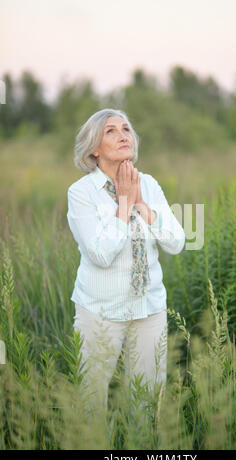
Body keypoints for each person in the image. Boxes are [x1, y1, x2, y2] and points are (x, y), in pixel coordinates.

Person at [67, 108, 185, 421]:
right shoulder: (81, 193)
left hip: (149, 310)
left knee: (146, 406)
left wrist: (141, 204)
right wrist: (123, 202)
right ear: (94, 148)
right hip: (99, 312)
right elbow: (100, 254)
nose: (123, 135)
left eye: (126, 128)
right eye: (111, 131)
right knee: (91, 406)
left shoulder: (148, 183)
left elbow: (176, 242)